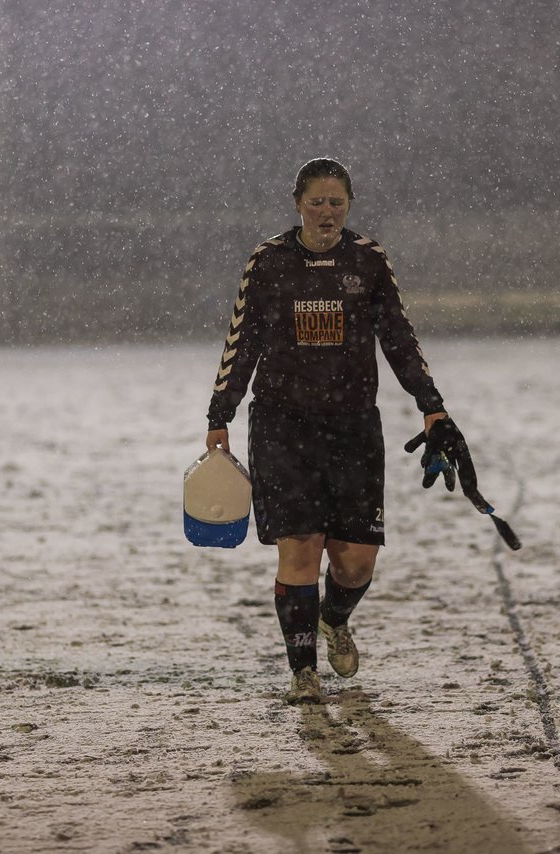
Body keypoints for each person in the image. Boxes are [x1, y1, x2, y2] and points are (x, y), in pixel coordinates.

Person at [203, 158, 457, 704]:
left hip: (352, 427)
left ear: (350, 205)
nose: (326, 211)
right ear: (297, 203)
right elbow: (241, 341)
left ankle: (332, 618)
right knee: (300, 549)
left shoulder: (367, 261)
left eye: (336, 202)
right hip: (282, 426)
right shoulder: (269, 262)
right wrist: (220, 413)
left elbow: (399, 339)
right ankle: (303, 673)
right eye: (316, 201)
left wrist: (430, 405)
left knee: (355, 561)